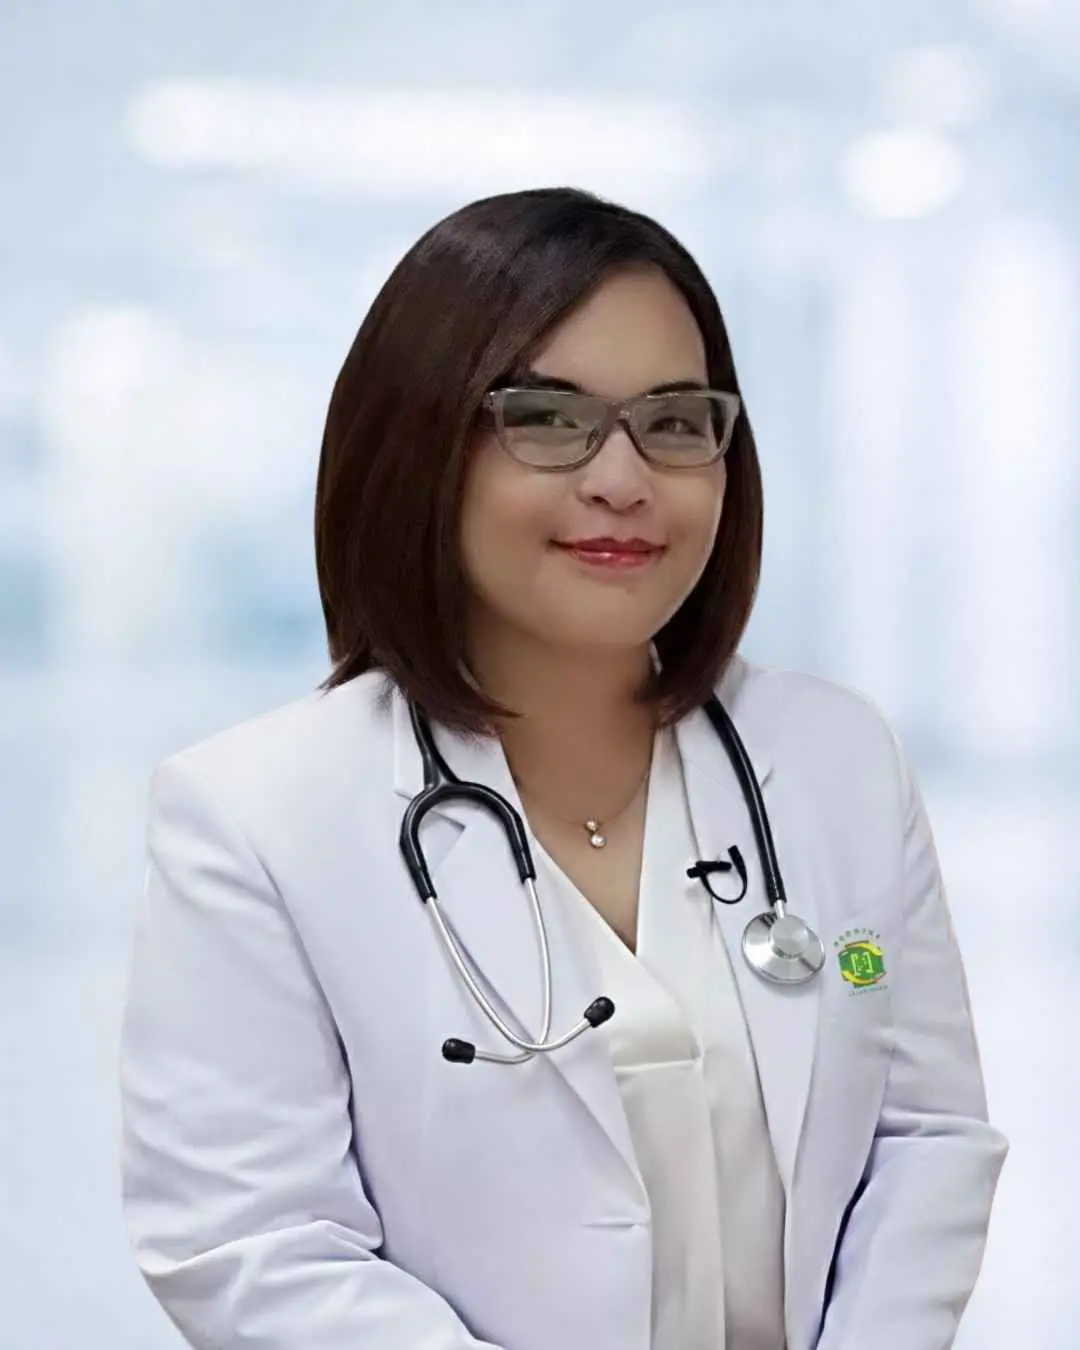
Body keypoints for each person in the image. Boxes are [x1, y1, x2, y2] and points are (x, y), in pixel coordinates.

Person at [119, 186, 1007, 1350]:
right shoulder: (255, 818)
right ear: (420, 446)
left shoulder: (836, 759)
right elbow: (255, 1245)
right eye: (547, 418)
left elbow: (925, 1135)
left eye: (676, 422)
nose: (623, 479)